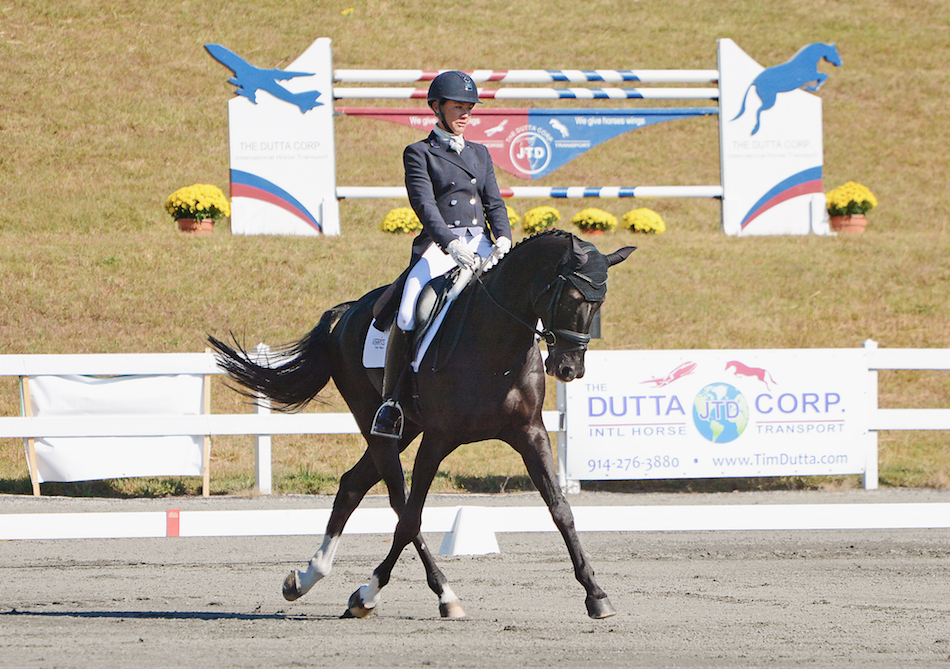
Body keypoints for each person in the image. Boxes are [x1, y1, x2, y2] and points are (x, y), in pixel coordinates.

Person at [371, 70, 513, 439]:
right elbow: (424, 205)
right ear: (437, 108)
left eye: (469, 108)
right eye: (457, 107)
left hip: (482, 242)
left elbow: (493, 202)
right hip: (442, 246)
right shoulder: (419, 153)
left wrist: (504, 239)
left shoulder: (480, 153)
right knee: (409, 311)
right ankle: (393, 402)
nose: (464, 114)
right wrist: (450, 243)